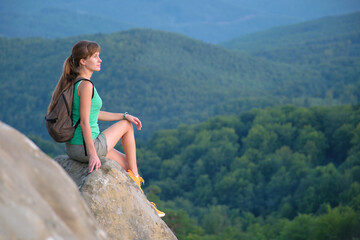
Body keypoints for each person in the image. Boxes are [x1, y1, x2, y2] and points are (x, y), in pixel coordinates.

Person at [47, 40, 165, 217]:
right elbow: (86, 122)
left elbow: (94, 114)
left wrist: (124, 115)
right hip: (87, 148)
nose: (100, 60)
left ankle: (140, 193)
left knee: (126, 162)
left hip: (74, 147)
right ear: (83, 62)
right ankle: (137, 183)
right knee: (127, 128)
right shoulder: (86, 86)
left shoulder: (76, 83)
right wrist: (93, 154)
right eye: (95, 56)